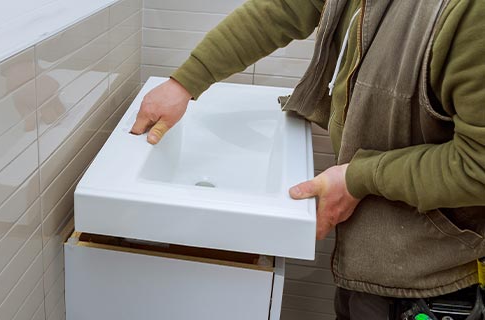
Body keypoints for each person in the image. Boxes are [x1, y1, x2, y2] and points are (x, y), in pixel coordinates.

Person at [131, 0, 485, 318]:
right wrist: (185, 82)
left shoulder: (471, 14)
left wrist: (358, 178)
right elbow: (280, 10)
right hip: (373, 254)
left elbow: (479, 166)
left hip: (434, 274)